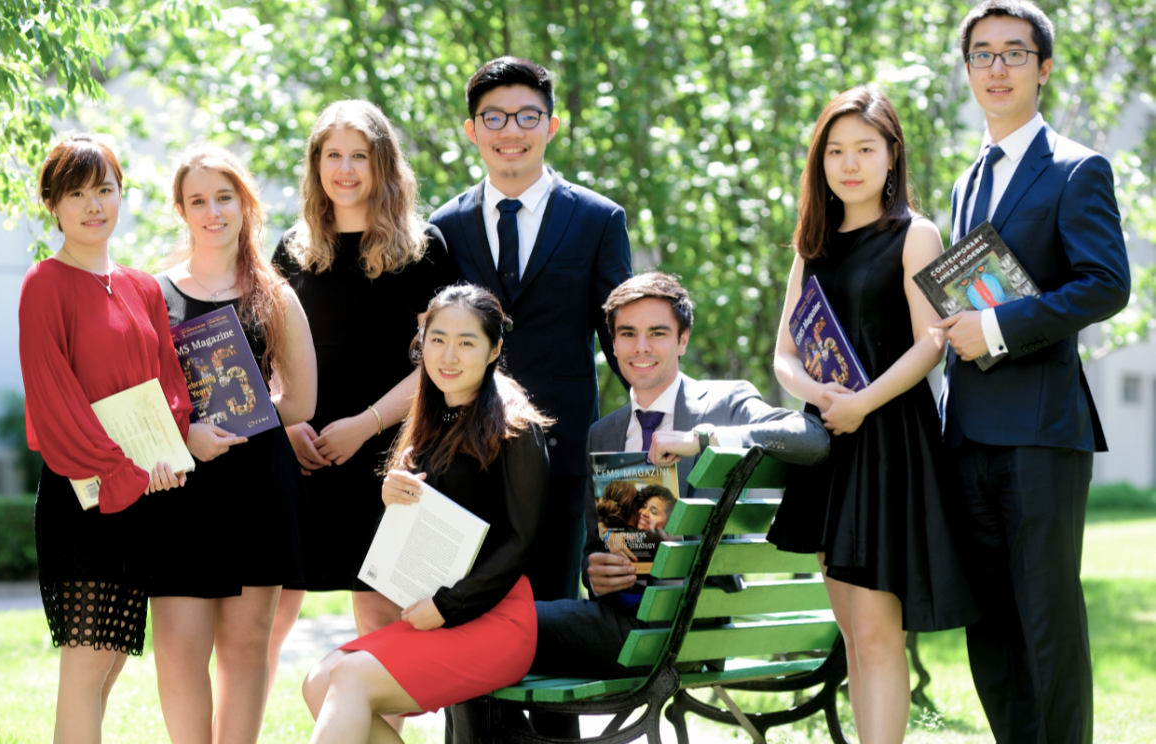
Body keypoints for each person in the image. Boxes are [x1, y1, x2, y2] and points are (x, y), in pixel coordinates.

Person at [447, 272, 829, 741]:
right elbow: (594, 550)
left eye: (657, 333)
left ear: (683, 340)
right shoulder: (604, 433)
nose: (640, 347)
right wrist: (597, 574)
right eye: (627, 334)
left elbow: (811, 439)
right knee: (478, 634)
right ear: (612, 344)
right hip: (626, 623)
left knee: (473, 627)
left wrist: (703, 439)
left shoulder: (725, 403)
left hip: (685, 628)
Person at [764, 87, 981, 744]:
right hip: (831, 444)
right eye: (835, 151)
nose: (849, 164)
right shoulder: (812, 245)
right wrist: (822, 393)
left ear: (892, 154)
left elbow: (931, 342)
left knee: (879, 634)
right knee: (853, 635)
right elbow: (783, 356)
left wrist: (863, 402)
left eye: (864, 148)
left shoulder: (916, 234)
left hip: (889, 442)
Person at [938, 3, 1130, 742]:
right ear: (968, 70)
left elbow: (1105, 284)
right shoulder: (966, 182)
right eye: (982, 54)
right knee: (989, 625)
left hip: (1042, 431)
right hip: (968, 433)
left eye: (1014, 53)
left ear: (1043, 68)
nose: (997, 68)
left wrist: (993, 328)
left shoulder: (1078, 168)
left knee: (1046, 619)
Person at [268, 99, 460, 733]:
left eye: (359, 156)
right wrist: (288, 422)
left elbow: (442, 362)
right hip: (303, 456)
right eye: (333, 155)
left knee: (380, 621)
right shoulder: (291, 250)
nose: (345, 170)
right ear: (315, 164)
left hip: (389, 455)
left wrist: (366, 424)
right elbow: (267, 354)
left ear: (383, 165)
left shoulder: (424, 249)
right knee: (266, 620)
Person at [301, 284, 551, 744]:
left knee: (348, 678)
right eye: (437, 340)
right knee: (319, 680)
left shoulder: (516, 426)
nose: (448, 356)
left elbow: (522, 542)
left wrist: (447, 606)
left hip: (496, 619)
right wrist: (393, 497)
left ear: (495, 349)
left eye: (466, 342)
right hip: (441, 611)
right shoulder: (433, 420)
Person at [430, 56, 633, 602]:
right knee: (463, 609)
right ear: (472, 130)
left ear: (551, 125)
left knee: (553, 613)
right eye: (493, 118)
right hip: (465, 454)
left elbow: (620, 337)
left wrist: (657, 417)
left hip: (562, 454)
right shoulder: (444, 228)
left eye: (527, 116)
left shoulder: (598, 220)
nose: (511, 131)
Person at [18, 133, 191, 743]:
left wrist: (168, 456)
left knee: (111, 662)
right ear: (53, 204)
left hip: (143, 493)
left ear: (122, 195)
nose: (94, 205)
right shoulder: (44, 284)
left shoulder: (143, 286)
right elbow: (54, 401)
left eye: (105, 190)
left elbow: (169, 384)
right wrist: (126, 473)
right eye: (77, 194)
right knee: (88, 663)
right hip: (84, 495)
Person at [148, 144, 321, 744]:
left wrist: (241, 416)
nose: (213, 211)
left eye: (224, 197)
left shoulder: (274, 293)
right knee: (178, 650)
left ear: (246, 205)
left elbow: (302, 401)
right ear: (181, 210)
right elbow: (139, 399)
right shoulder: (152, 295)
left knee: (246, 646)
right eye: (198, 200)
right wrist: (186, 434)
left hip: (257, 485)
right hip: (181, 488)